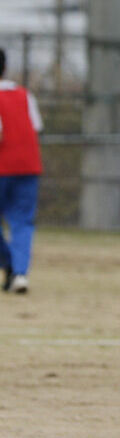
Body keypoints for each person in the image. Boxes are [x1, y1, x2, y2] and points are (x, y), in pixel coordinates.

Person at [0, 46, 43, 295]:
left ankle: (9, 263)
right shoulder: (24, 95)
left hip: (2, 166)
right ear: (5, 67)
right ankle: (19, 273)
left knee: (20, 221)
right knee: (22, 222)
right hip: (28, 166)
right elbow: (35, 128)